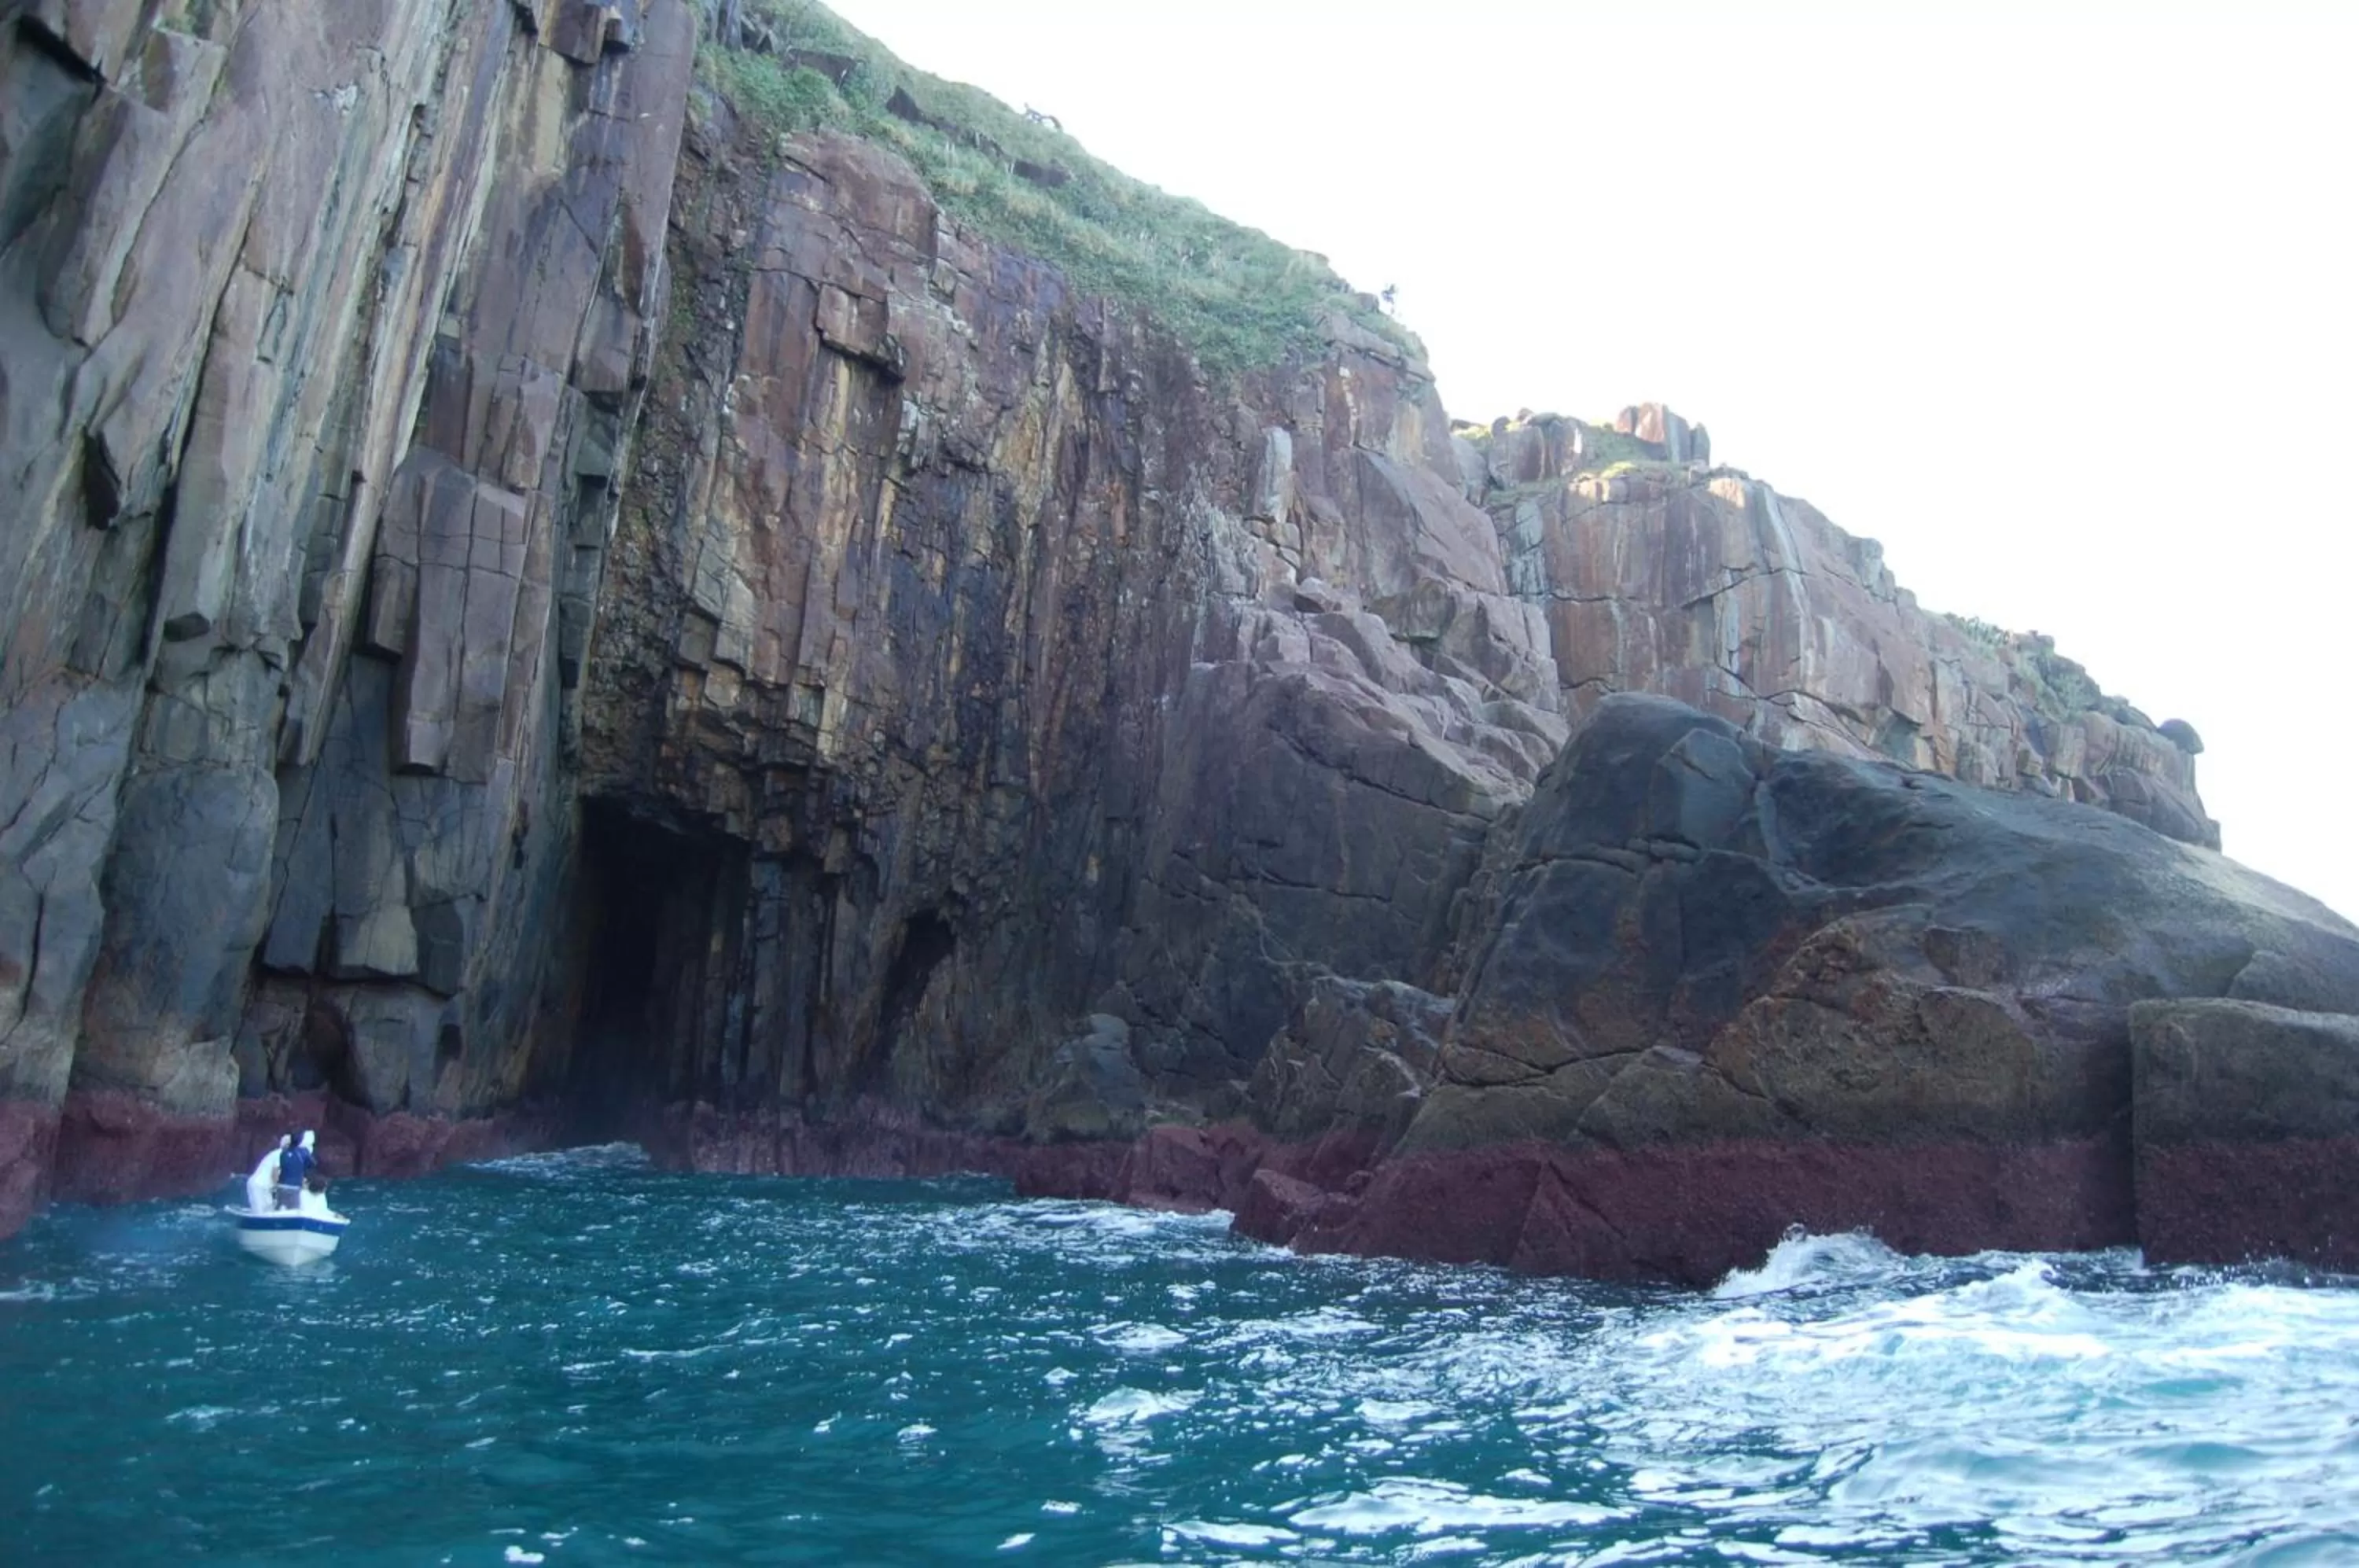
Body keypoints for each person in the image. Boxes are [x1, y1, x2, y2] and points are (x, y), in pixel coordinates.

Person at [245, 1135, 290, 1213]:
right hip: (258, 1186)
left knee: (269, 1212)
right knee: (260, 1213)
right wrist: (279, 1190)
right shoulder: (280, 1154)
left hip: (266, 1189)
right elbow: (274, 1174)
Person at [274, 1129, 318, 1209]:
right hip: (294, 1187)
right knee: (293, 1209)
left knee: (279, 1208)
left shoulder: (283, 1152)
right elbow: (313, 1164)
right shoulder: (303, 1152)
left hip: (281, 1185)